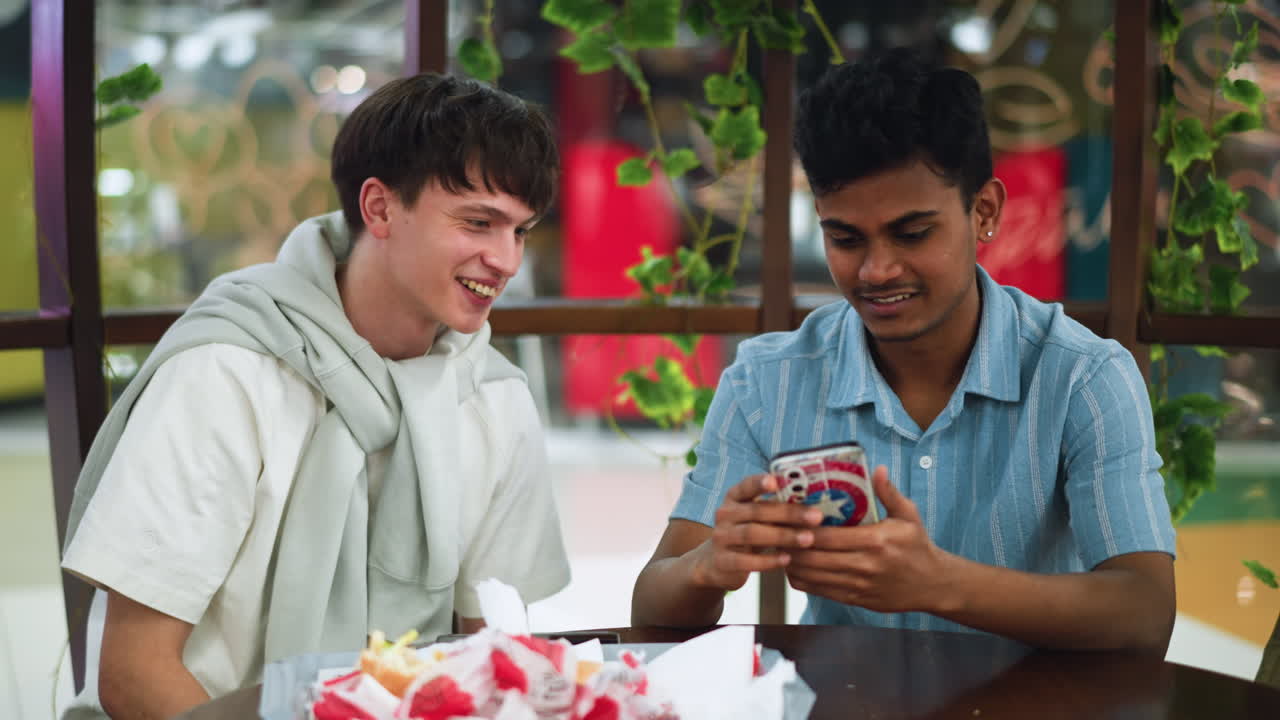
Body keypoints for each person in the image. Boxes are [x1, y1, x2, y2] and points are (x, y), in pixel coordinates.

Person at [631, 48, 1177, 652]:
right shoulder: (768, 381)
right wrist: (709, 565)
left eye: (912, 233)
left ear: (984, 211)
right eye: (844, 238)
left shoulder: (1082, 377)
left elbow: (1145, 612)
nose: (877, 269)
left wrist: (942, 584)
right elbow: (651, 606)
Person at [60, 74, 571, 719]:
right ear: (379, 208)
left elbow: (494, 650)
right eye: (478, 223)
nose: (506, 260)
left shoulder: (493, 398)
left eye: (520, 231)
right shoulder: (225, 373)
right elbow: (134, 675)